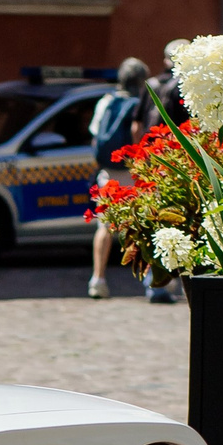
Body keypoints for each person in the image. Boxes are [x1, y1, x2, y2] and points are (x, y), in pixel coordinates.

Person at [87, 58, 149, 302]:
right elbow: (138, 134)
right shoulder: (139, 102)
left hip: (107, 173)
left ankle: (98, 280)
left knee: (104, 226)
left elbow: (95, 137)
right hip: (132, 172)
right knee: (144, 225)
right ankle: (151, 281)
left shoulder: (106, 101)